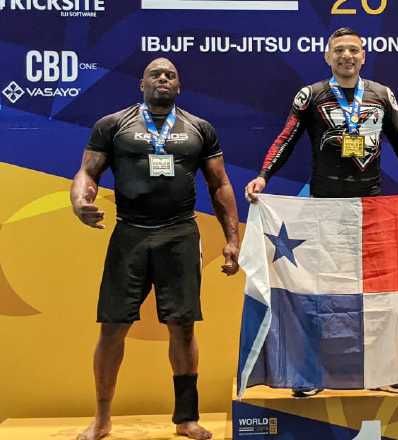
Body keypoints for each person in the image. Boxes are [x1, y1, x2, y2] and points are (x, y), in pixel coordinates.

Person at [244, 27, 398, 396]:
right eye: (338, 50)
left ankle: (383, 372)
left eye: (353, 50)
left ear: (363, 55)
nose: (346, 56)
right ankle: (311, 375)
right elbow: (285, 140)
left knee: (383, 294)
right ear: (327, 56)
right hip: (324, 210)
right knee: (320, 295)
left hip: (371, 211)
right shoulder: (311, 96)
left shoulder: (382, 95)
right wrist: (263, 176)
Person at [70, 57, 240, 440]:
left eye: (171, 75)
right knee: (113, 328)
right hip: (129, 234)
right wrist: (81, 201)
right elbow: (88, 172)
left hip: (179, 235)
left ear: (178, 86)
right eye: (155, 74)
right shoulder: (113, 125)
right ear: (141, 84)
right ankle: (102, 418)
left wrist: (232, 240)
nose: (163, 79)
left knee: (182, 327)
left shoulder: (199, 129)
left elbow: (220, 185)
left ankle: (185, 419)